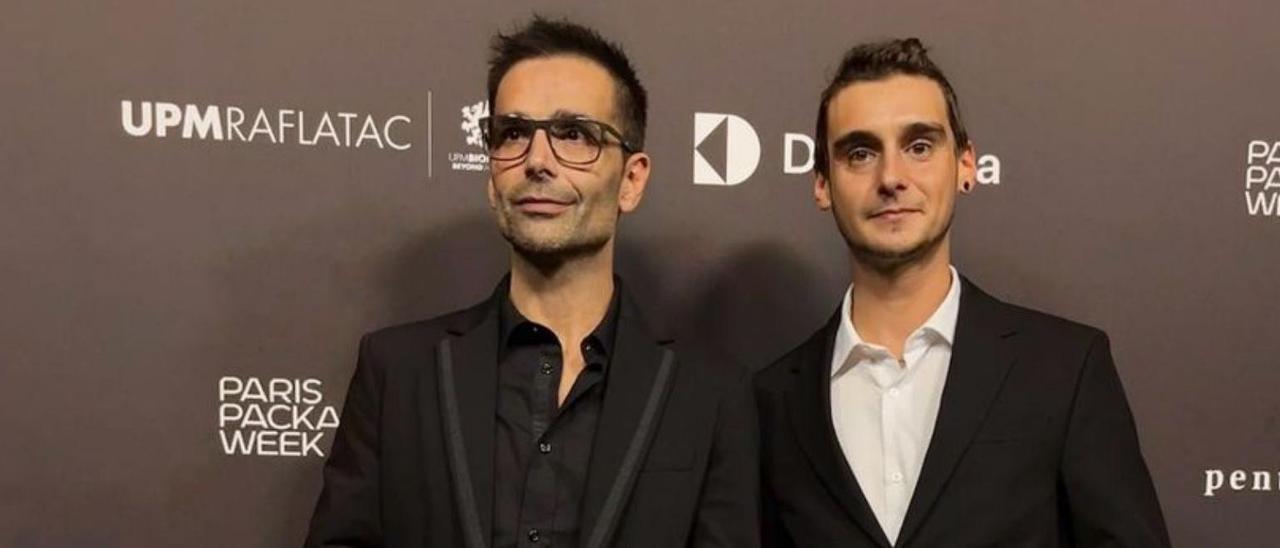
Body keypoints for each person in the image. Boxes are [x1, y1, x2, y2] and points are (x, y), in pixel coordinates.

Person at [305, 17, 758, 548]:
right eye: (513, 133)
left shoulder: (709, 394)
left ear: (631, 180)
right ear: (492, 173)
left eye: (574, 135)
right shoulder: (397, 373)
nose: (537, 161)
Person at [755, 38, 1170, 547]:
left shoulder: (1065, 369)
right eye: (860, 153)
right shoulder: (769, 402)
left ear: (967, 165)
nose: (891, 178)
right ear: (822, 183)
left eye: (920, 146)